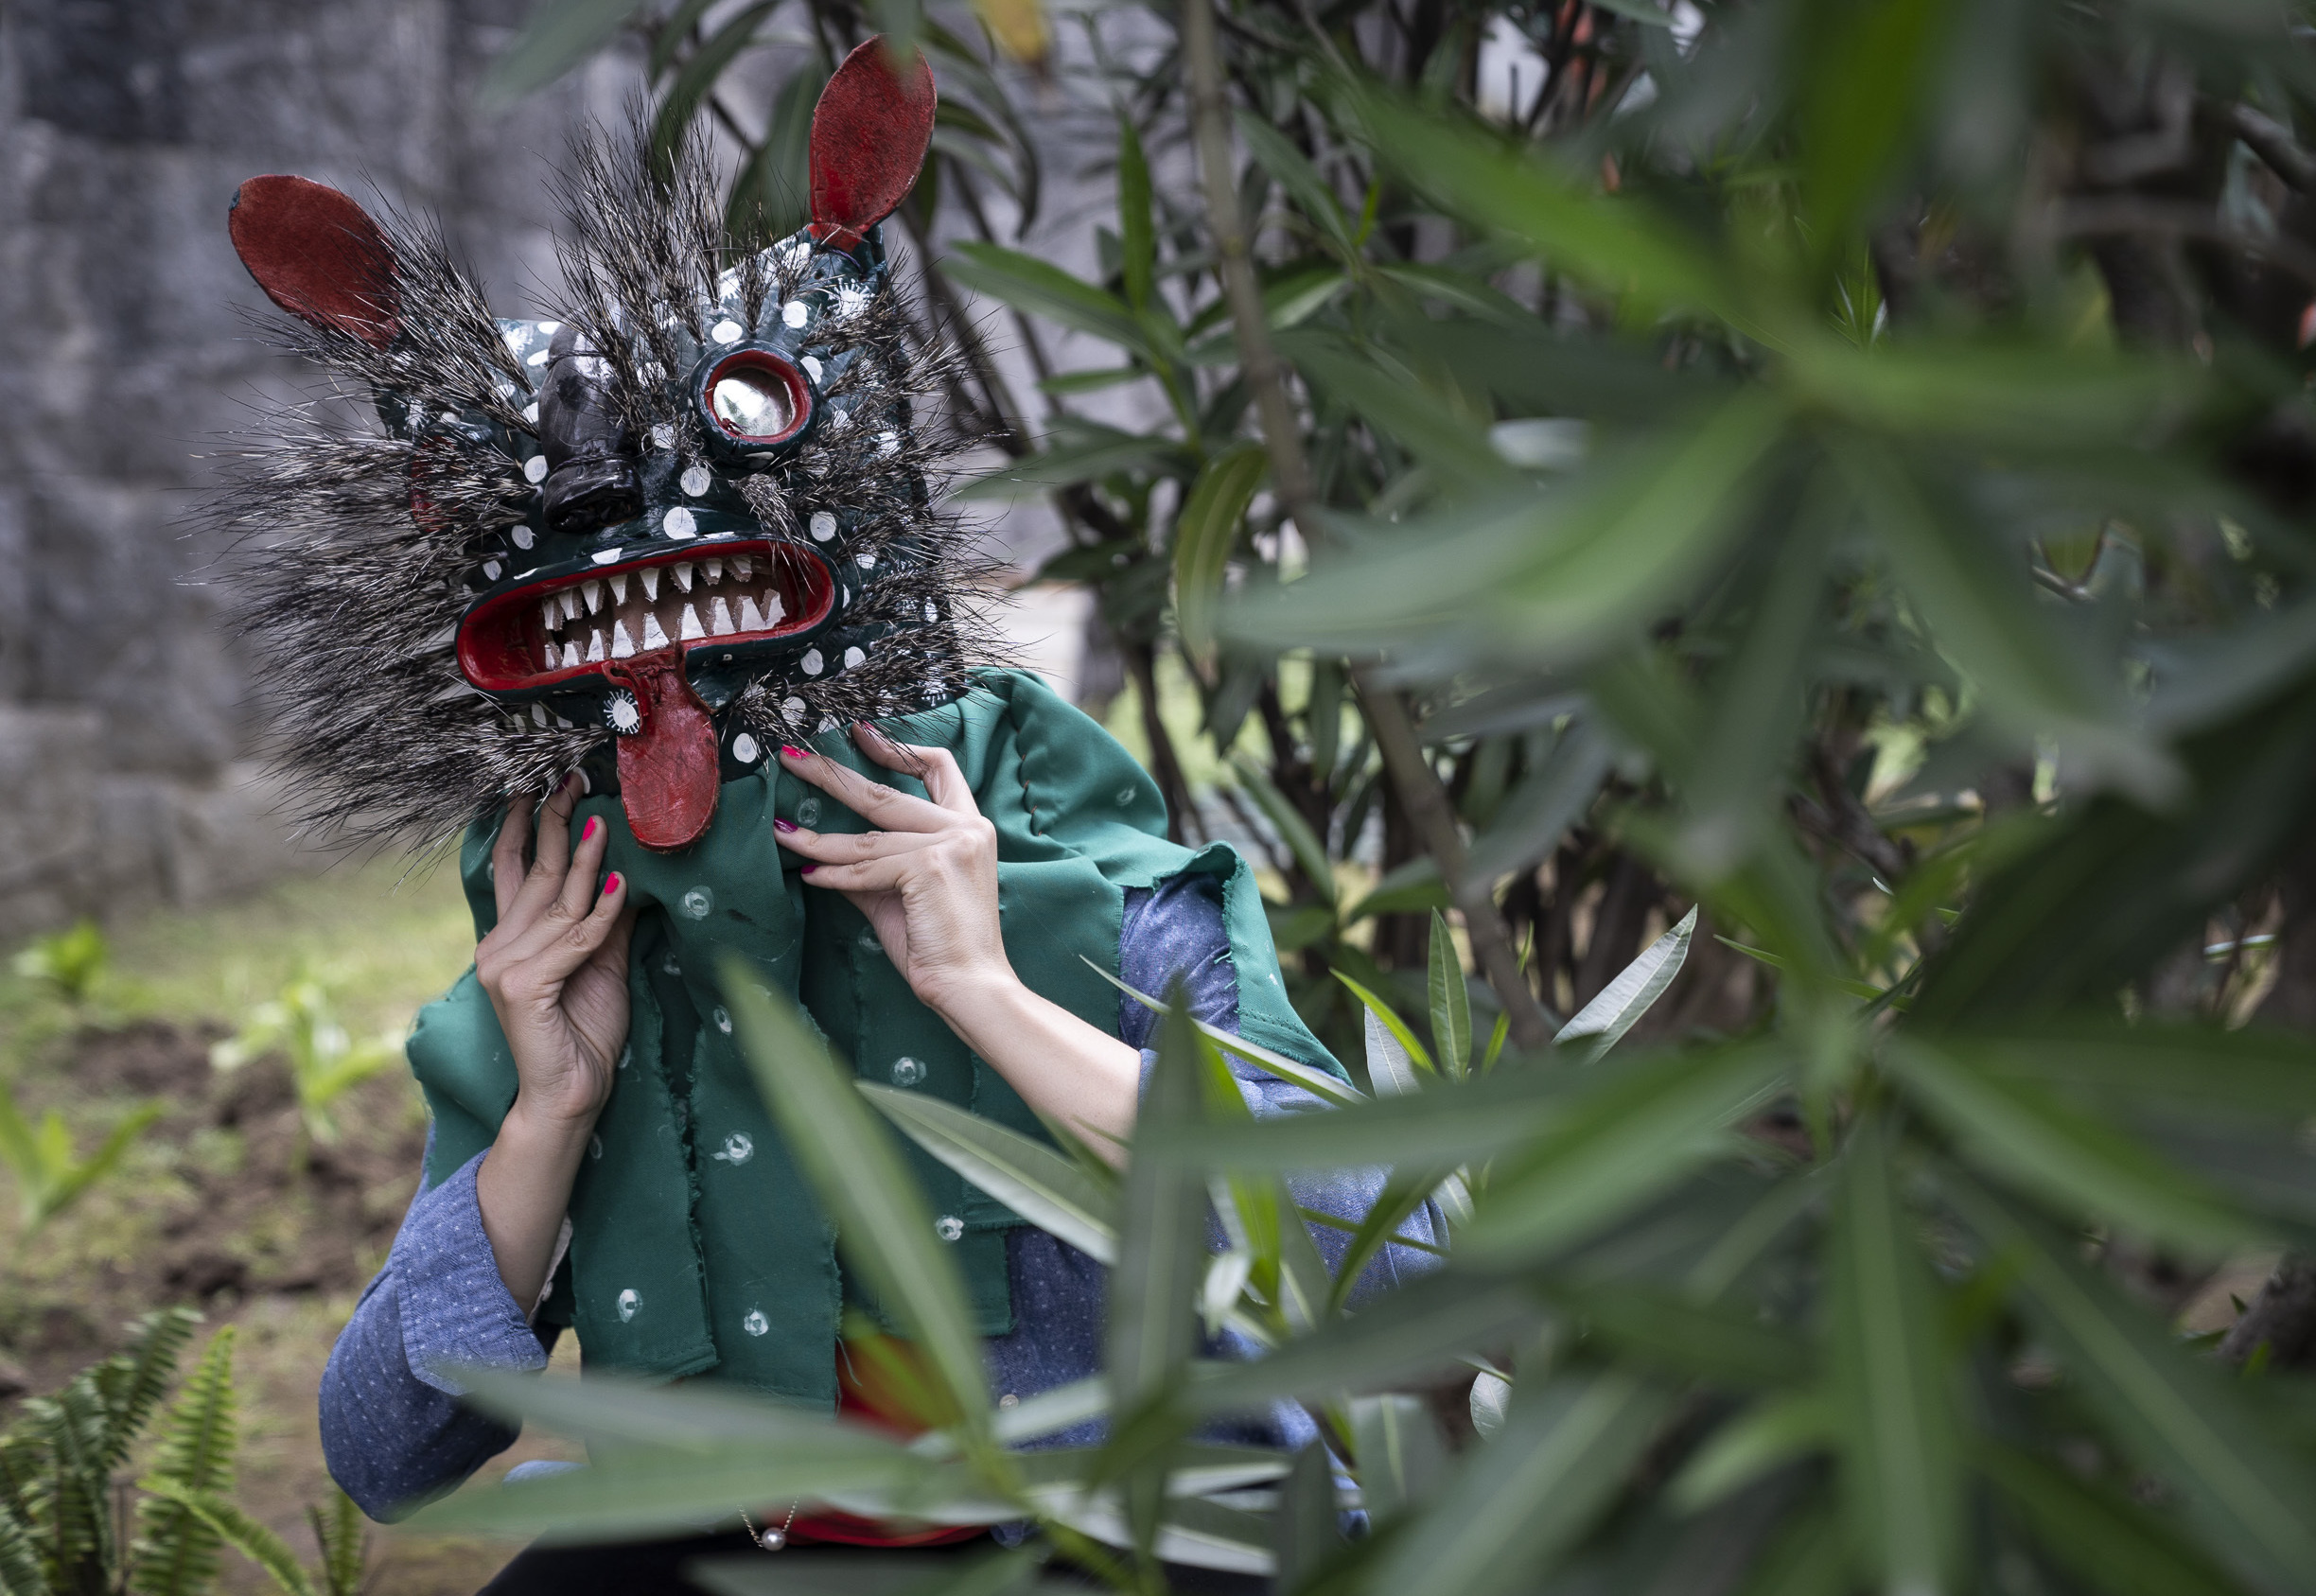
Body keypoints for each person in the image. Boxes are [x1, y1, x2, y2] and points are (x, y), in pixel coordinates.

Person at [216, 38, 1431, 1594]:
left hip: (1108, 1530)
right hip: (735, 1533)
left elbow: (1391, 1269)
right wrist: (548, 1116)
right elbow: (386, 1455)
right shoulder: (585, 906)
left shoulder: (1060, 856)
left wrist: (990, 998)